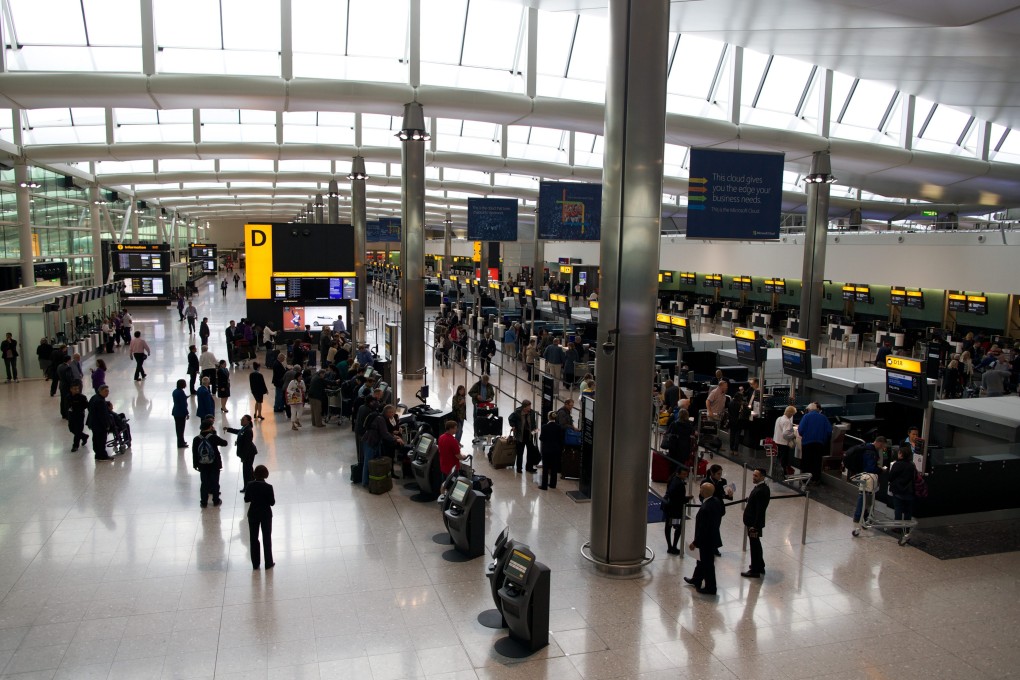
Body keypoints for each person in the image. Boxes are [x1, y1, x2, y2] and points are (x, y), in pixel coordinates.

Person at [685, 482, 723, 595]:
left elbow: (704, 529)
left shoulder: (706, 508)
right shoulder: (716, 502)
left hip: (706, 541)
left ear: (705, 492)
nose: (700, 490)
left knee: (707, 565)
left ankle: (711, 588)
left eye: (701, 489)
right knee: (701, 561)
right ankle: (696, 579)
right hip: (712, 538)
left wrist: (695, 542)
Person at [850, 436, 889, 528]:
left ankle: (862, 515)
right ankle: (860, 516)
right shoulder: (870, 452)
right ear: (879, 443)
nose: (882, 448)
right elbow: (870, 468)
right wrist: (880, 470)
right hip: (867, 477)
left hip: (864, 476)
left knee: (863, 495)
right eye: (882, 446)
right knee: (864, 496)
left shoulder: (867, 448)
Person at [244, 465, 275, 570]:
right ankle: (268, 562)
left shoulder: (249, 485)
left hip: (253, 514)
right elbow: (272, 503)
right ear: (266, 474)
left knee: (253, 538)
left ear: (254, 474)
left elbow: (246, 499)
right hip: (265, 514)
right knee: (267, 538)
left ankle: (255, 563)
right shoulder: (268, 487)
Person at [742, 468, 771, 578]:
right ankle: (759, 565)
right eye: (753, 475)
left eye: (756, 476)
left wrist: (754, 526)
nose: (753, 477)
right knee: (756, 544)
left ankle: (755, 570)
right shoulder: (762, 488)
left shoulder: (761, 491)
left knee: (754, 546)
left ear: (762, 477)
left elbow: (760, 510)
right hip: (754, 523)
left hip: (754, 524)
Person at [193, 417, 227, 508]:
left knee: (204, 483)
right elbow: (225, 443)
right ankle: (216, 500)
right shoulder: (213, 437)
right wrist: (214, 433)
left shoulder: (196, 439)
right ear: (210, 427)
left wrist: (195, 465)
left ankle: (203, 502)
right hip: (214, 464)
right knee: (215, 482)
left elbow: (194, 453)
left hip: (202, 465)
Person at [361, 404, 399, 487]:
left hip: (370, 440)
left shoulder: (379, 417)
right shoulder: (380, 419)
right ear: (387, 412)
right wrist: (395, 439)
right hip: (370, 442)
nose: (393, 414)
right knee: (368, 462)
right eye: (392, 412)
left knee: (370, 462)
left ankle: (370, 480)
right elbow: (384, 433)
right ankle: (365, 482)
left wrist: (392, 436)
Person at [797, 402, 831, 485]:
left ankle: (805, 480)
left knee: (806, 461)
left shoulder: (806, 417)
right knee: (817, 461)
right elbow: (829, 431)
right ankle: (815, 479)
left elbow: (800, 430)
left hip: (807, 443)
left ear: (809, 409)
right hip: (819, 443)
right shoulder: (823, 418)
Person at [661, 464, 691, 554]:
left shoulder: (673, 479)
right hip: (674, 510)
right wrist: (688, 498)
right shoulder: (679, 484)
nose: (685, 476)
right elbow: (679, 499)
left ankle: (670, 546)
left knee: (668, 526)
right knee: (677, 527)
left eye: (686, 474)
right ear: (678, 473)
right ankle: (673, 547)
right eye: (684, 474)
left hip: (668, 507)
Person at [225, 415, 257, 492]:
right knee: (249, 470)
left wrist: (243, 456)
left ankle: (247, 487)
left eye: (243, 420)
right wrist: (228, 429)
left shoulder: (248, 430)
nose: (241, 421)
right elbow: (239, 432)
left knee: (246, 472)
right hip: (247, 453)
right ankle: (252, 485)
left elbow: (247, 444)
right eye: (241, 419)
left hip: (248, 454)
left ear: (248, 421)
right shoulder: (244, 428)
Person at [887, 445, 916, 531]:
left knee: (898, 509)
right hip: (909, 491)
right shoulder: (912, 465)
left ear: (901, 454)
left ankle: (898, 527)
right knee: (908, 510)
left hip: (898, 490)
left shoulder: (897, 464)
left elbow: (890, 477)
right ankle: (907, 527)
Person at [509, 399, 540, 474]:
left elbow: (533, 423)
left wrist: (535, 430)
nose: (530, 407)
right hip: (520, 435)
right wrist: (513, 426)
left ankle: (529, 467)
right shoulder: (517, 412)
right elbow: (510, 418)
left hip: (529, 435)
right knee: (520, 453)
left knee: (530, 452)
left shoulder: (532, 412)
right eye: (529, 406)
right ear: (524, 407)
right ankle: (519, 468)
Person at [538, 411, 562, 490]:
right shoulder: (559, 427)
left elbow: (541, 438)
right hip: (555, 450)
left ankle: (544, 485)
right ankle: (553, 484)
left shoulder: (544, 427)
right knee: (554, 467)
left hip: (546, 450)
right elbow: (560, 439)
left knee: (545, 468)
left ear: (548, 417)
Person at [88, 384, 112, 460]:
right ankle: (102, 456)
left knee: (95, 439)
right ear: (100, 391)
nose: (107, 393)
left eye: (108, 391)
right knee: (101, 440)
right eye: (105, 391)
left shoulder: (94, 397)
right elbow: (103, 416)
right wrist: (107, 425)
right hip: (99, 425)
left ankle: (97, 454)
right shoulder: (100, 402)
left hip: (93, 423)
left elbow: (89, 407)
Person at [773, 405, 798, 477]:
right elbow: (785, 434)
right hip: (783, 443)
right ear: (791, 414)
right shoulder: (787, 421)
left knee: (779, 459)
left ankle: (777, 473)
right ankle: (783, 474)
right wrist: (793, 435)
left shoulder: (779, 418)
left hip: (777, 441)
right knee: (784, 460)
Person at [66, 380, 89, 452]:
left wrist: (79, 408)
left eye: (77, 389)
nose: (76, 390)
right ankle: (84, 436)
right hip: (71, 415)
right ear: (71, 389)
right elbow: (66, 405)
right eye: (75, 389)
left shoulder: (82, 397)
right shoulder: (68, 396)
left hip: (79, 415)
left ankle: (75, 446)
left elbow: (86, 405)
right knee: (72, 429)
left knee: (78, 430)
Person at [172, 379, 189, 449]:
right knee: (181, 429)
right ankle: (180, 443)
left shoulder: (175, 391)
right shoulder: (181, 392)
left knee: (178, 428)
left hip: (176, 411)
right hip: (181, 413)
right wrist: (187, 413)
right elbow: (183, 404)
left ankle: (181, 441)